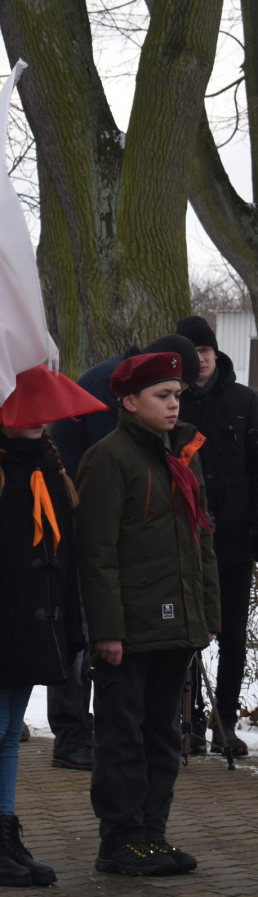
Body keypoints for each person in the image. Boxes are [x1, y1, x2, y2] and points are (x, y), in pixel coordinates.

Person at [76, 352, 219, 876]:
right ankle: (120, 839)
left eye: (177, 394)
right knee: (122, 736)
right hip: (130, 630)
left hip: (176, 624)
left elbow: (200, 536)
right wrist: (108, 629)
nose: (173, 403)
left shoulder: (183, 453)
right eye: (162, 395)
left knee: (162, 735)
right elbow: (97, 552)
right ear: (130, 401)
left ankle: (151, 833)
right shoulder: (108, 458)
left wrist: (203, 613)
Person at [47, 335, 201, 770]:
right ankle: (72, 731)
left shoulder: (123, 378)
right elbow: (121, 463)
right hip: (78, 514)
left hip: (91, 509)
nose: (176, 404)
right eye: (169, 392)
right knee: (81, 627)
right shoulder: (107, 393)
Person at [0, 403, 82, 887]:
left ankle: (4, 831)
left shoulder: (48, 466)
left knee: (9, 731)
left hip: (35, 625)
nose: (36, 416)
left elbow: (63, 555)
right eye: (22, 407)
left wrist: (70, 624)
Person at [176, 315, 258, 757]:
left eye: (205, 353)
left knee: (231, 636)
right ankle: (186, 721)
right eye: (193, 355)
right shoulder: (171, 404)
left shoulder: (245, 403)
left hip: (234, 543)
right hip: (184, 545)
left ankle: (224, 723)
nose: (201, 362)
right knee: (187, 633)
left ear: (214, 355)